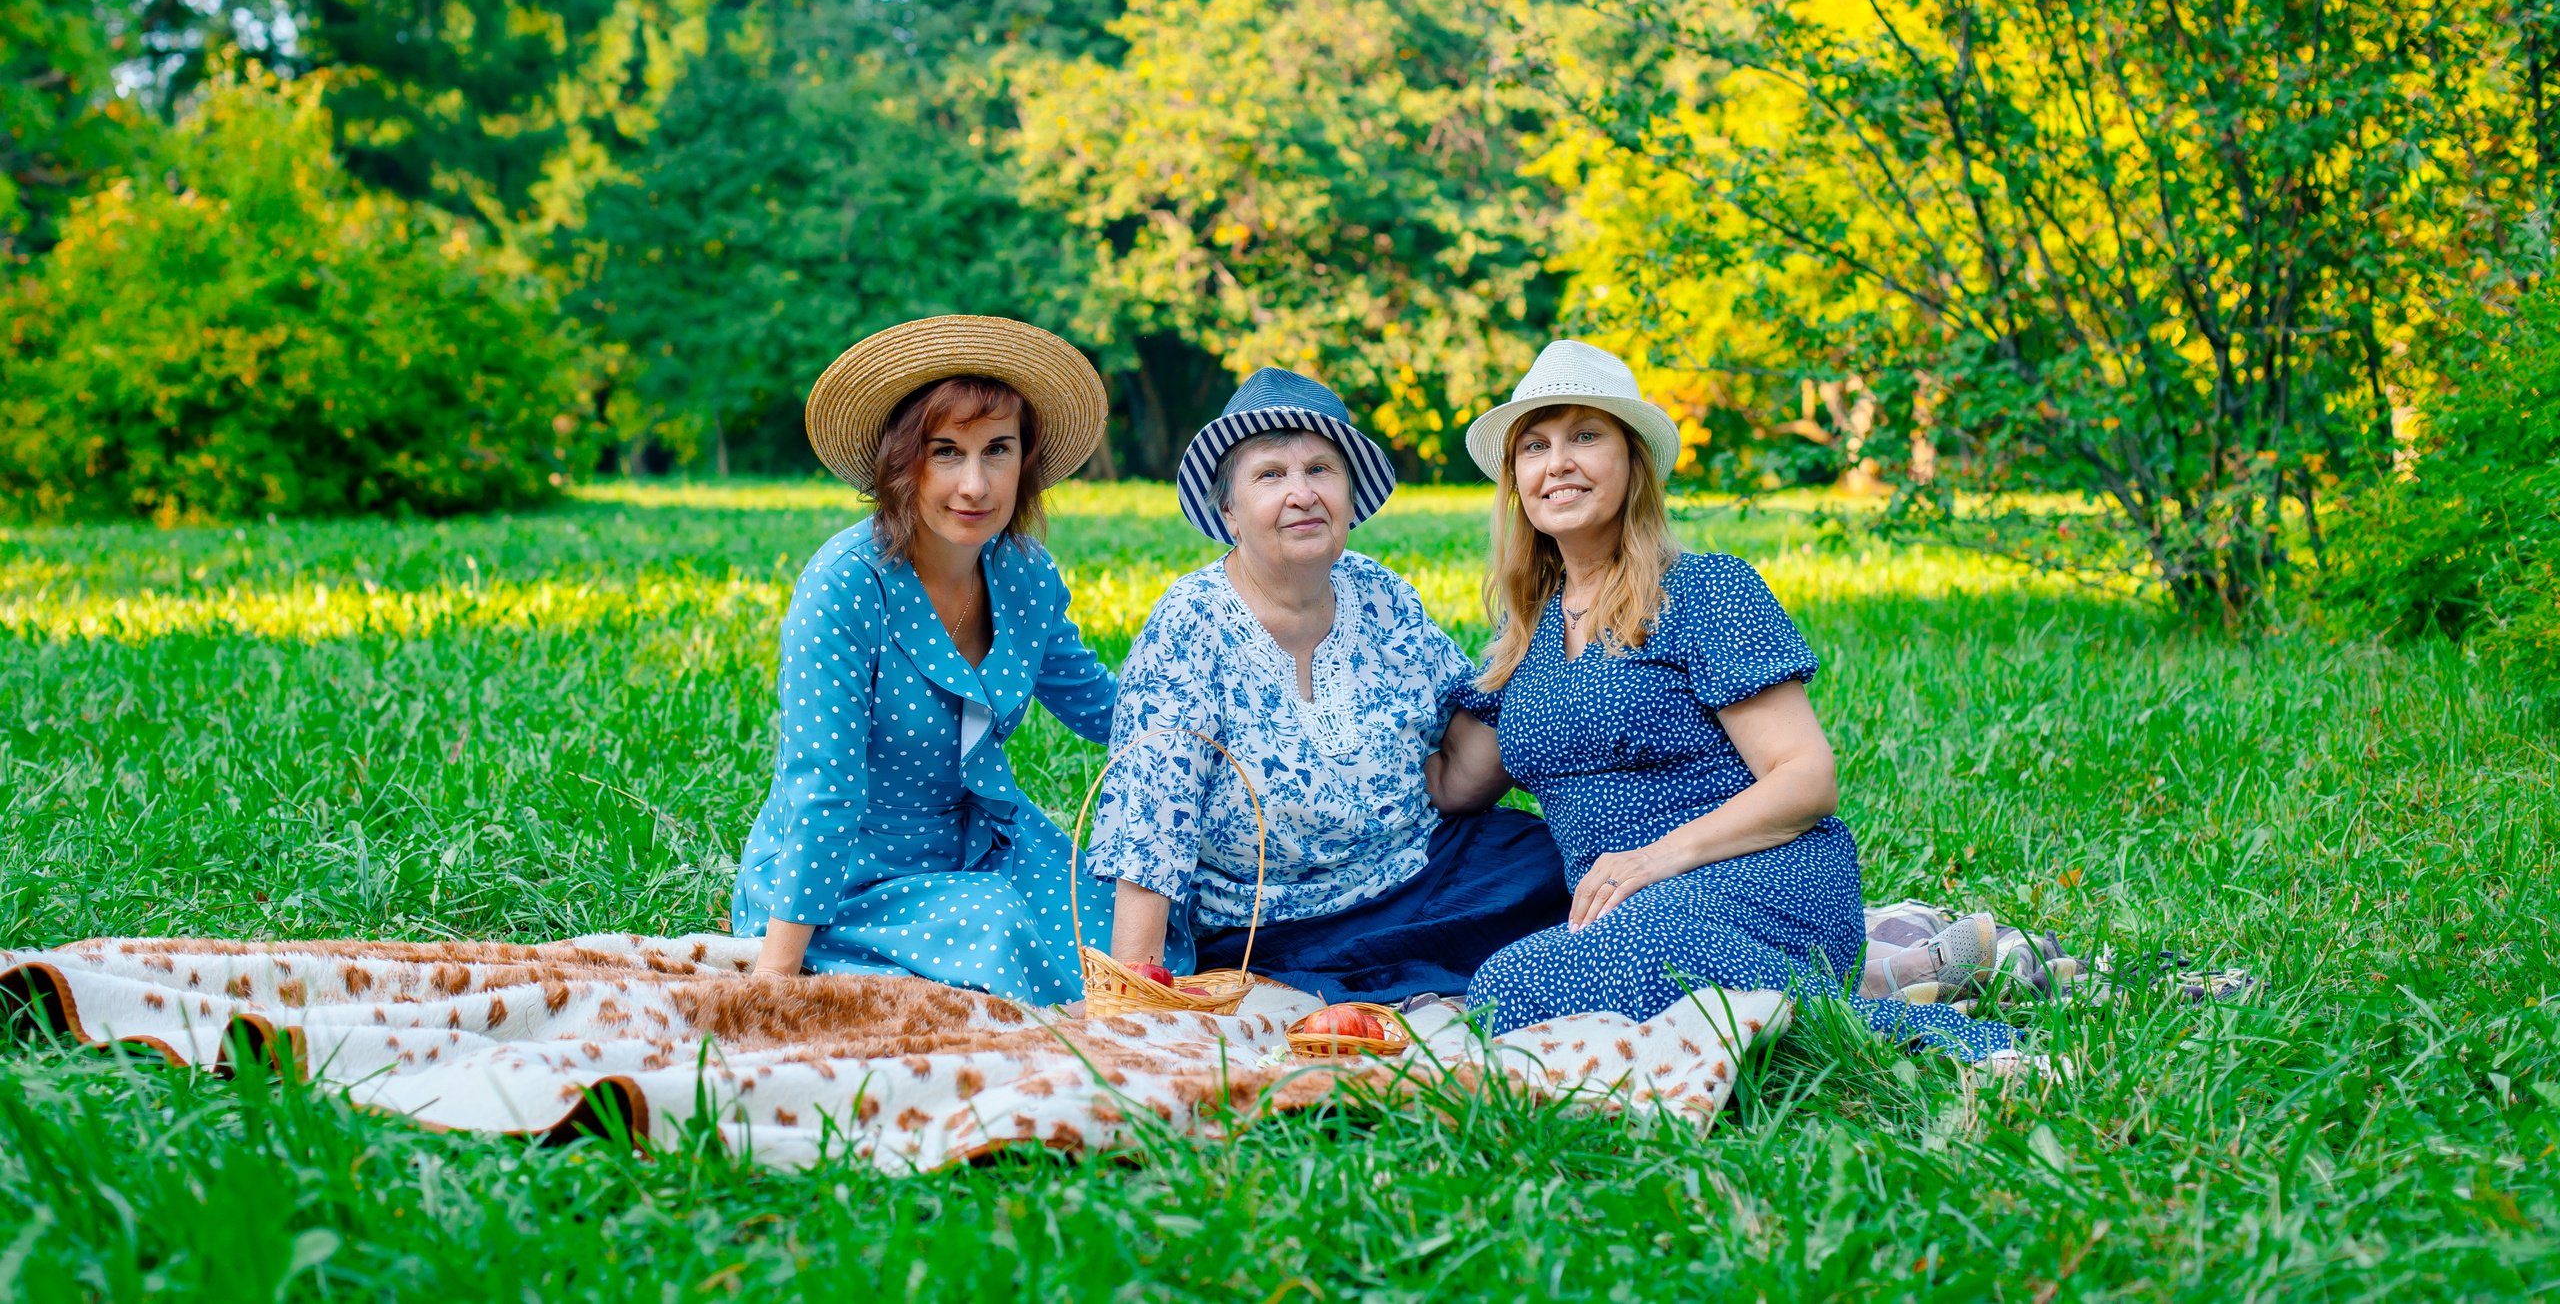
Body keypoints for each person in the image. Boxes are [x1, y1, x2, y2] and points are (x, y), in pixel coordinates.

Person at [1430, 340, 2020, 1060]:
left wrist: (1652, 859)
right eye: (1535, 445)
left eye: (1586, 435)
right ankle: (1869, 987)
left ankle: (1915, 1031)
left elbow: (1807, 778)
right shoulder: (1523, 635)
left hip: (1763, 879)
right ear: (1516, 478)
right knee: (1506, 989)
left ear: (1632, 461)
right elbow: (1454, 782)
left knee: (1528, 979)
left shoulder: (1707, 589)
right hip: (1629, 912)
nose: (1558, 462)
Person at [1083, 368, 1569, 1007]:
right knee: (1282, 996)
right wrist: (1137, 998)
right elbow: (1152, 826)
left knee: (1568, 865)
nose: (1301, 493)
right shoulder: (1189, 624)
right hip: (1276, 928)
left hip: (1424, 874)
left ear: (1349, 492)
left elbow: (1468, 729)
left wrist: (1550, 635)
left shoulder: (1381, 593)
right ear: (1228, 509)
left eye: (1320, 470)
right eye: (1270, 475)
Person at [733, 316, 1119, 1006]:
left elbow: (1100, 705)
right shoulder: (845, 585)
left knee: (1125, 924)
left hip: (978, 846)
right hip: (848, 874)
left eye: (997, 449)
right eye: (946, 452)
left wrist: (1227, 710)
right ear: (901, 462)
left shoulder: (1026, 574)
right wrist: (772, 978)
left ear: (1024, 460)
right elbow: (823, 785)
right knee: (997, 933)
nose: (975, 483)